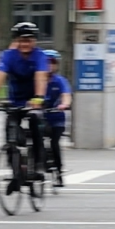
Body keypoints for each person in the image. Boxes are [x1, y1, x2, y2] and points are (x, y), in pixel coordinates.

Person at [0, 21, 50, 194]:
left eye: (28, 40)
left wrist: (38, 98)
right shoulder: (9, 56)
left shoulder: (40, 56)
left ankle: (38, 164)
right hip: (15, 100)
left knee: (35, 121)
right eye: (21, 40)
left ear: (34, 41)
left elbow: (41, 77)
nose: (25, 44)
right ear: (16, 41)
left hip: (34, 100)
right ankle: (16, 173)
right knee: (11, 136)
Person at [43, 49, 71, 187]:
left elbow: (66, 94)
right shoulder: (37, 80)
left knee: (54, 143)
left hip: (56, 118)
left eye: (52, 63)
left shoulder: (60, 81)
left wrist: (64, 104)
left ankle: (59, 174)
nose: (49, 66)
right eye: (46, 63)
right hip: (40, 118)